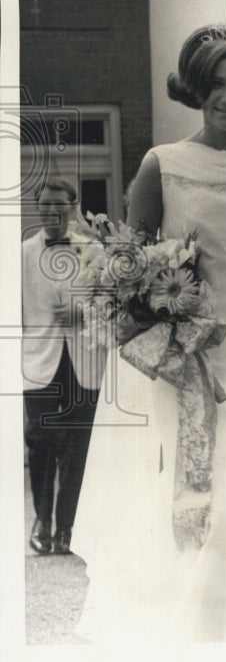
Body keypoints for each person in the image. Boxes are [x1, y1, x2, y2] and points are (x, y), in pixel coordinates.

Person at [72, 20, 226, 642]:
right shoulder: (164, 165)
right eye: (216, 85)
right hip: (190, 366)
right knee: (205, 502)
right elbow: (127, 265)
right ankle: (196, 643)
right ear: (196, 90)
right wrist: (155, 318)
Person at [22, 177, 104, 555]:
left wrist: (81, 311)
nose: (52, 212)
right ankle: (42, 519)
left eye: (59, 206)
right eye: (45, 207)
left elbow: (111, 304)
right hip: (39, 361)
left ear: (72, 208)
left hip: (84, 360)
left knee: (77, 445)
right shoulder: (21, 254)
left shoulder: (94, 251)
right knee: (40, 440)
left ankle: (68, 527)